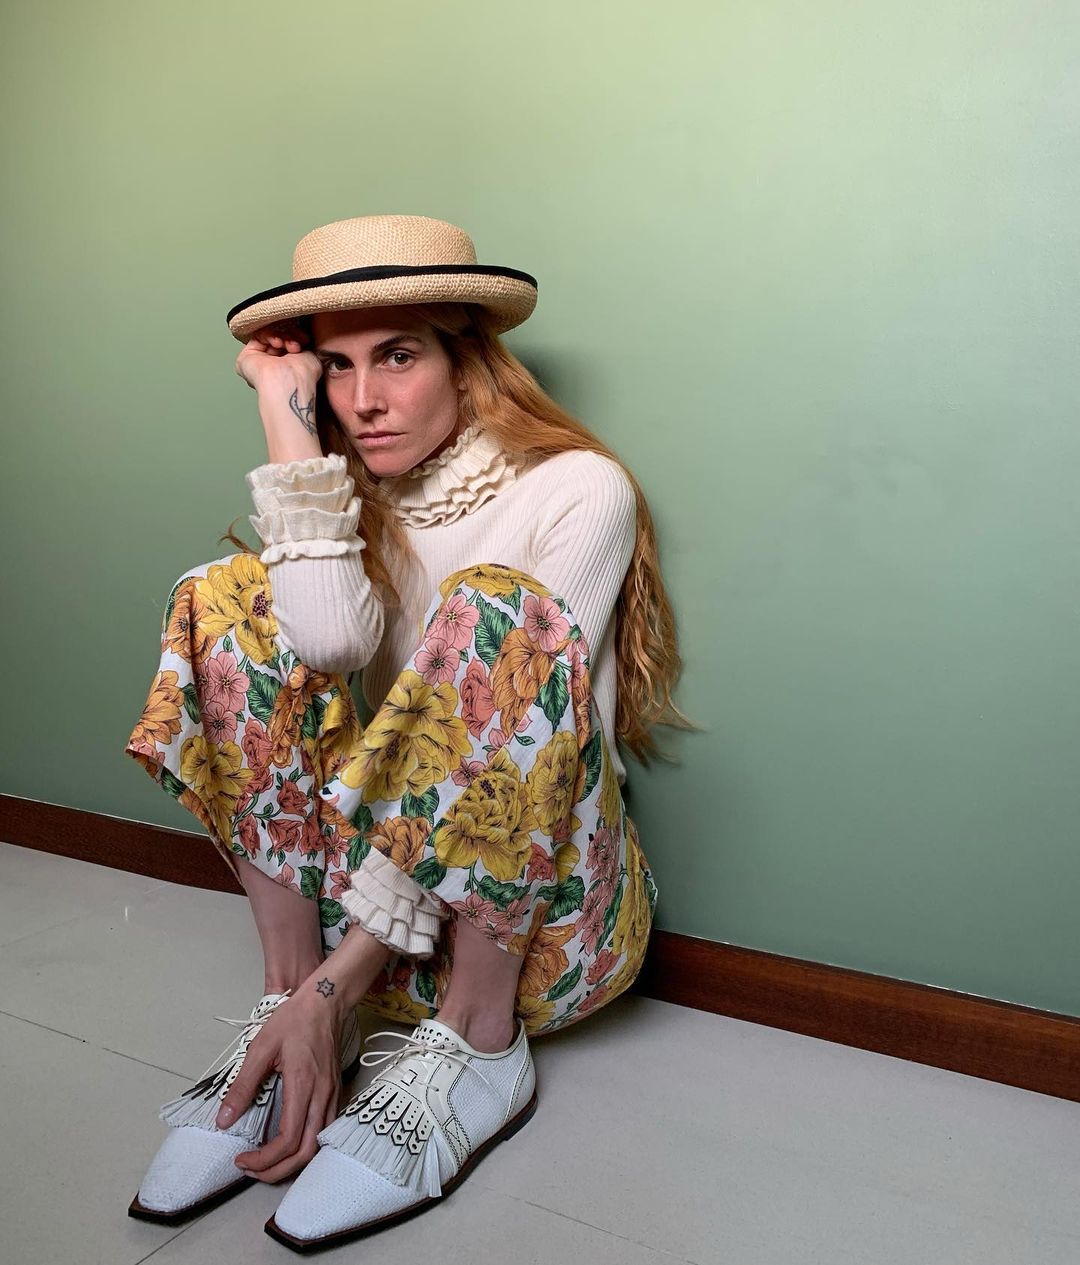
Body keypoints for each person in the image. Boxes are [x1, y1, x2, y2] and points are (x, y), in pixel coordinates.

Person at [123, 214, 695, 1252]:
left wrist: (338, 987)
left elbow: (482, 764)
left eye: (397, 354)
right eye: (334, 367)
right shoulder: (345, 497)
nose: (364, 400)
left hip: (536, 930)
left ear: (466, 357)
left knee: (494, 606)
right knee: (229, 593)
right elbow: (331, 641)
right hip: (368, 921)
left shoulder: (578, 488)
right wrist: (284, 416)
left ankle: (476, 1045)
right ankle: (285, 1007)